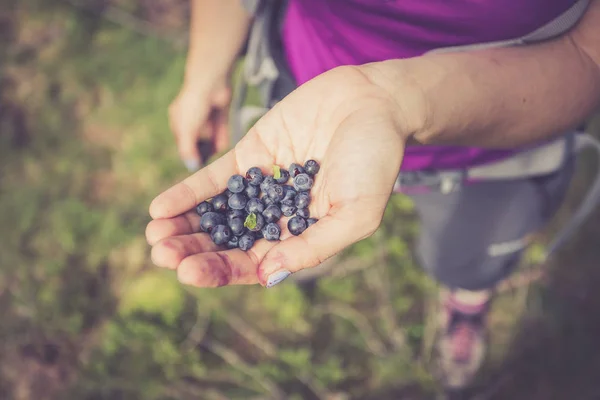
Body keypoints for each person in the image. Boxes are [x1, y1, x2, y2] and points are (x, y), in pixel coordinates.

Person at [146, 0, 600, 390]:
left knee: (465, 259)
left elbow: (589, 56)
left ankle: (466, 300)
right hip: (305, 111)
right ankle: (302, 261)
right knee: (299, 235)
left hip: (497, 150)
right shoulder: (281, 168)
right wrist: (204, 73)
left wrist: (391, 100)